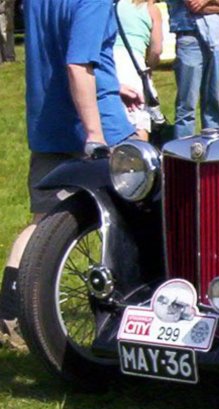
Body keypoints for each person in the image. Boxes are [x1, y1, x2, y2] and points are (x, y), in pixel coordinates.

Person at [0, 0, 138, 346]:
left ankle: (10, 314)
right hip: (97, 128)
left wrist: (112, 82)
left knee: (40, 223)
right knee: (136, 220)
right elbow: (77, 65)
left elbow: (58, 52)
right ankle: (133, 313)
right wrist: (94, 134)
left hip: (50, 124)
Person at [166, 0, 219, 139]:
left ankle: (215, 151)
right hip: (189, 36)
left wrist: (205, 2)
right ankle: (182, 154)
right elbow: (192, 5)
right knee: (187, 105)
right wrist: (218, 7)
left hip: (214, 36)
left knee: (213, 100)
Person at [114, 0, 164, 140]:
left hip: (109, 61)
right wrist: (150, 67)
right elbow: (156, 50)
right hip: (133, 64)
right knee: (139, 121)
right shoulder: (151, 9)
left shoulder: (114, 5)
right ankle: (139, 157)